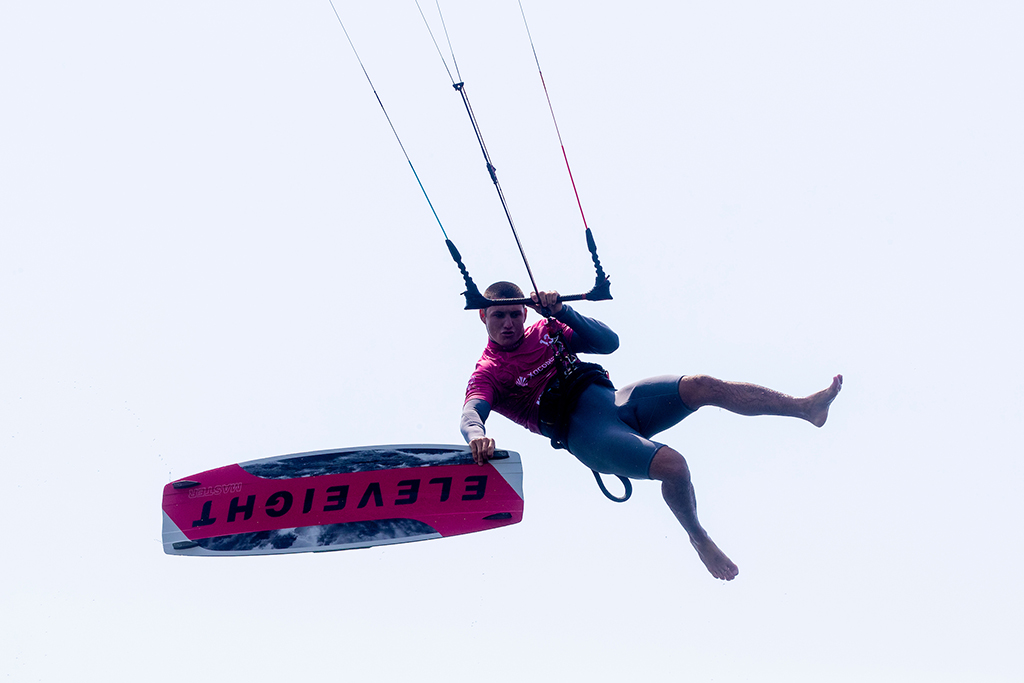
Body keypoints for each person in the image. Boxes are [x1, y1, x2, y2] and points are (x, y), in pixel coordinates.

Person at [460, 281, 842, 581]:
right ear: (483, 318)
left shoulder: (546, 329)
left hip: (618, 404)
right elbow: (471, 412)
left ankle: (806, 407)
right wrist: (477, 437)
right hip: (589, 436)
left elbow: (609, 343)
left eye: (515, 314)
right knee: (675, 466)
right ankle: (698, 536)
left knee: (702, 384)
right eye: (498, 317)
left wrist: (563, 311)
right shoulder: (489, 371)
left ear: (524, 313)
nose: (508, 324)